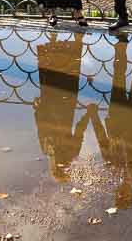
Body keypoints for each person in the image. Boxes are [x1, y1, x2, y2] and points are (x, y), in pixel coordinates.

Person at [90, 37, 132, 209]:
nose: (121, 191)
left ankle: (121, 47)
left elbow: (103, 142)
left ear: (117, 193)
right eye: (124, 195)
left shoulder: (113, 171)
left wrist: (94, 116)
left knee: (119, 78)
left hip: (117, 118)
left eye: (119, 194)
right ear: (131, 194)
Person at [33, 32, 92, 181]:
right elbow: (79, 131)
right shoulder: (59, 151)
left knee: (59, 71)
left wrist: (37, 109)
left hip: (55, 104)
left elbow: (41, 126)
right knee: (63, 71)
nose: (60, 165)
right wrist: (88, 114)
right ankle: (68, 40)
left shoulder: (49, 149)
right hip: (62, 105)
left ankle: (57, 40)